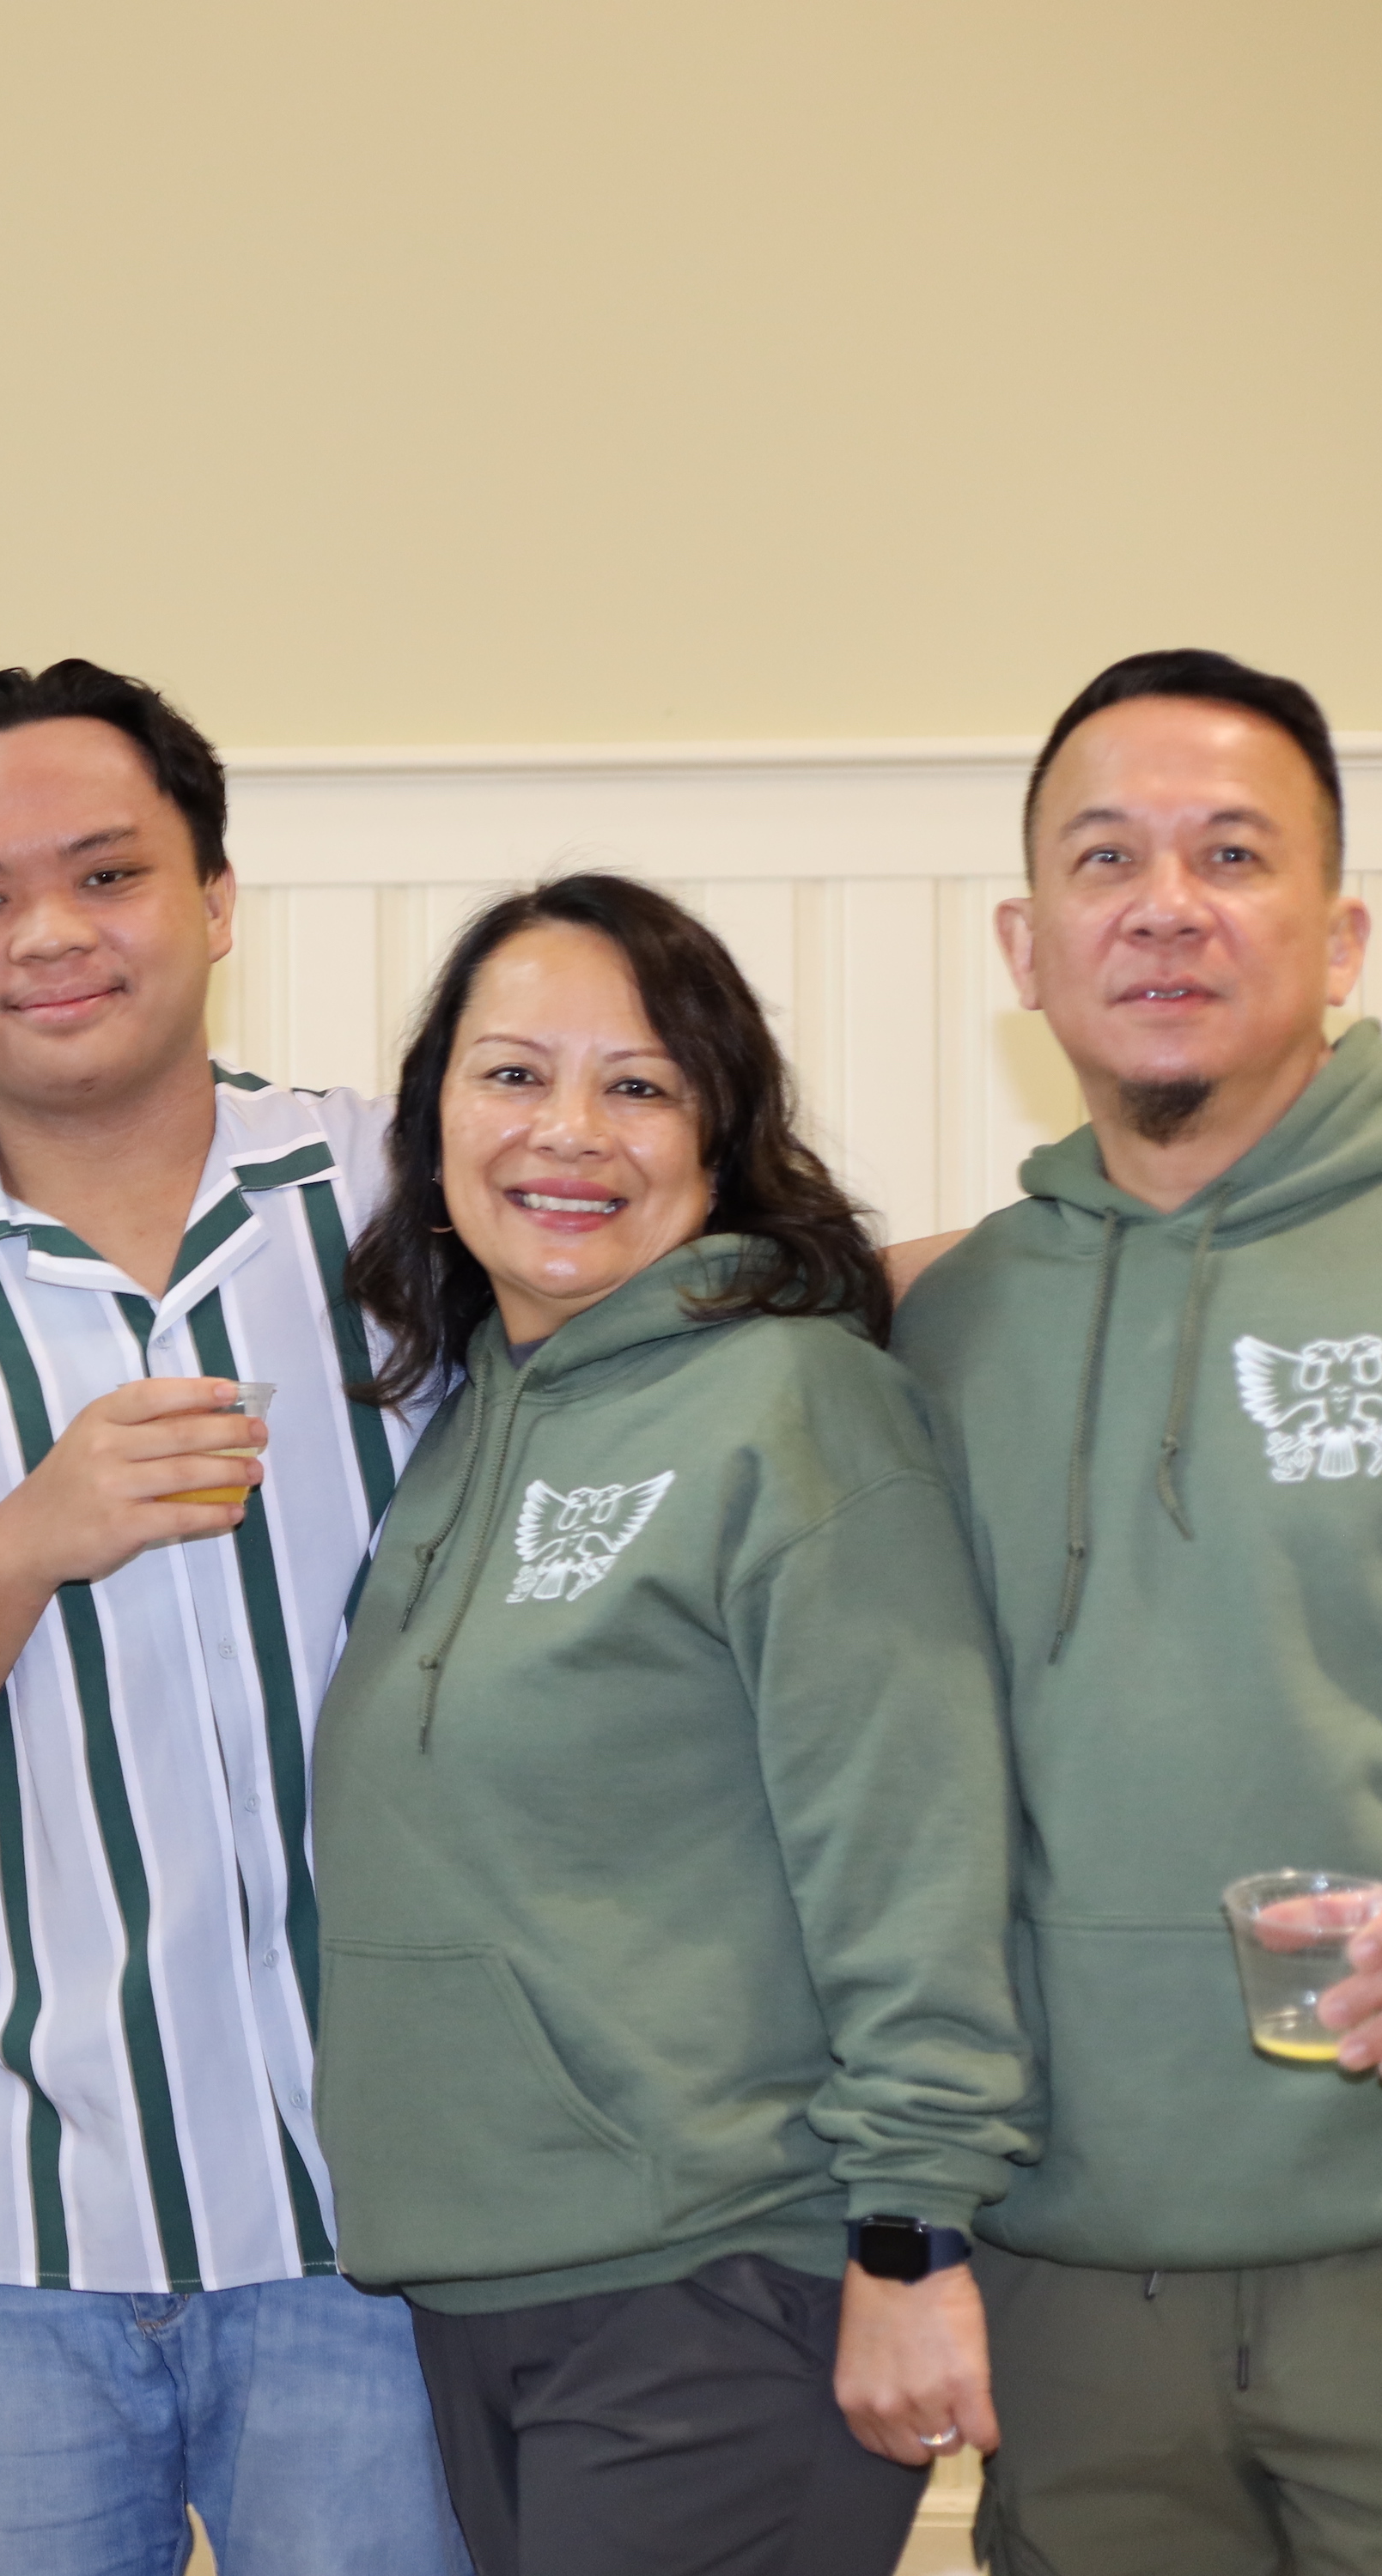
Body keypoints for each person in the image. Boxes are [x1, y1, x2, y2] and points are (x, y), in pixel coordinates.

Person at [0, 660, 468, 2576]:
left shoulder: (424, 1197)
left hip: (387, 2228)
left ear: (216, 900)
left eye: (109, 875)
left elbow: (713, 1311)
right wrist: (22, 1543)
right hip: (1, 2253)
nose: (46, 934)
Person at [307, 875, 1030, 2575]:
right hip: (486, 2281)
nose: (570, 1133)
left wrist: (913, 2238)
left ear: (722, 1130)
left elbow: (913, 1848)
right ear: (431, 1124)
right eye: (512, 1076)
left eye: (638, 1085)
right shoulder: (470, 1415)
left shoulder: (794, 1402)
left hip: (719, 2283)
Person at [892, 648, 1382, 2575]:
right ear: (1026, 940)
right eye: (1105, 859)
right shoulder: (955, 1323)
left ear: (1337, 935)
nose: (1164, 904)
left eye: (1232, 855)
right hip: (1065, 2288)